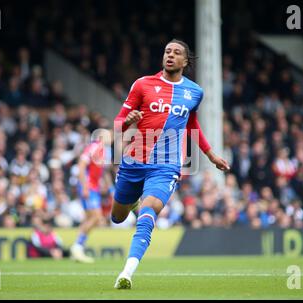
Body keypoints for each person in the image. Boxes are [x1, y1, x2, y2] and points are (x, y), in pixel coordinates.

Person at [111, 39, 230, 289]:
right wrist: (128, 121)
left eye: (176, 53)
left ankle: (126, 273)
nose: (170, 55)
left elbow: (191, 123)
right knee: (118, 217)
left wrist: (210, 155)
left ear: (185, 62)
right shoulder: (142, 84)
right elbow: (118, 124)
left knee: (148, 213)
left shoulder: (194, 92)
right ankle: (132, 203)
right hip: (134, 161)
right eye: (167, 51)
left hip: (166, 165)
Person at [70, 130, 113, 263]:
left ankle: (78, 249)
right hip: (89, 186)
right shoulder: (94, 146)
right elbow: (81, 166)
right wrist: (84, 186)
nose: (111, 138)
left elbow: (102, 172)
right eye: (109, 135)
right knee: (96, 217)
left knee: (89, 218)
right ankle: (77, 246)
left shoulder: (104, 150)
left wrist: (108, 186)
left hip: (94, 187)